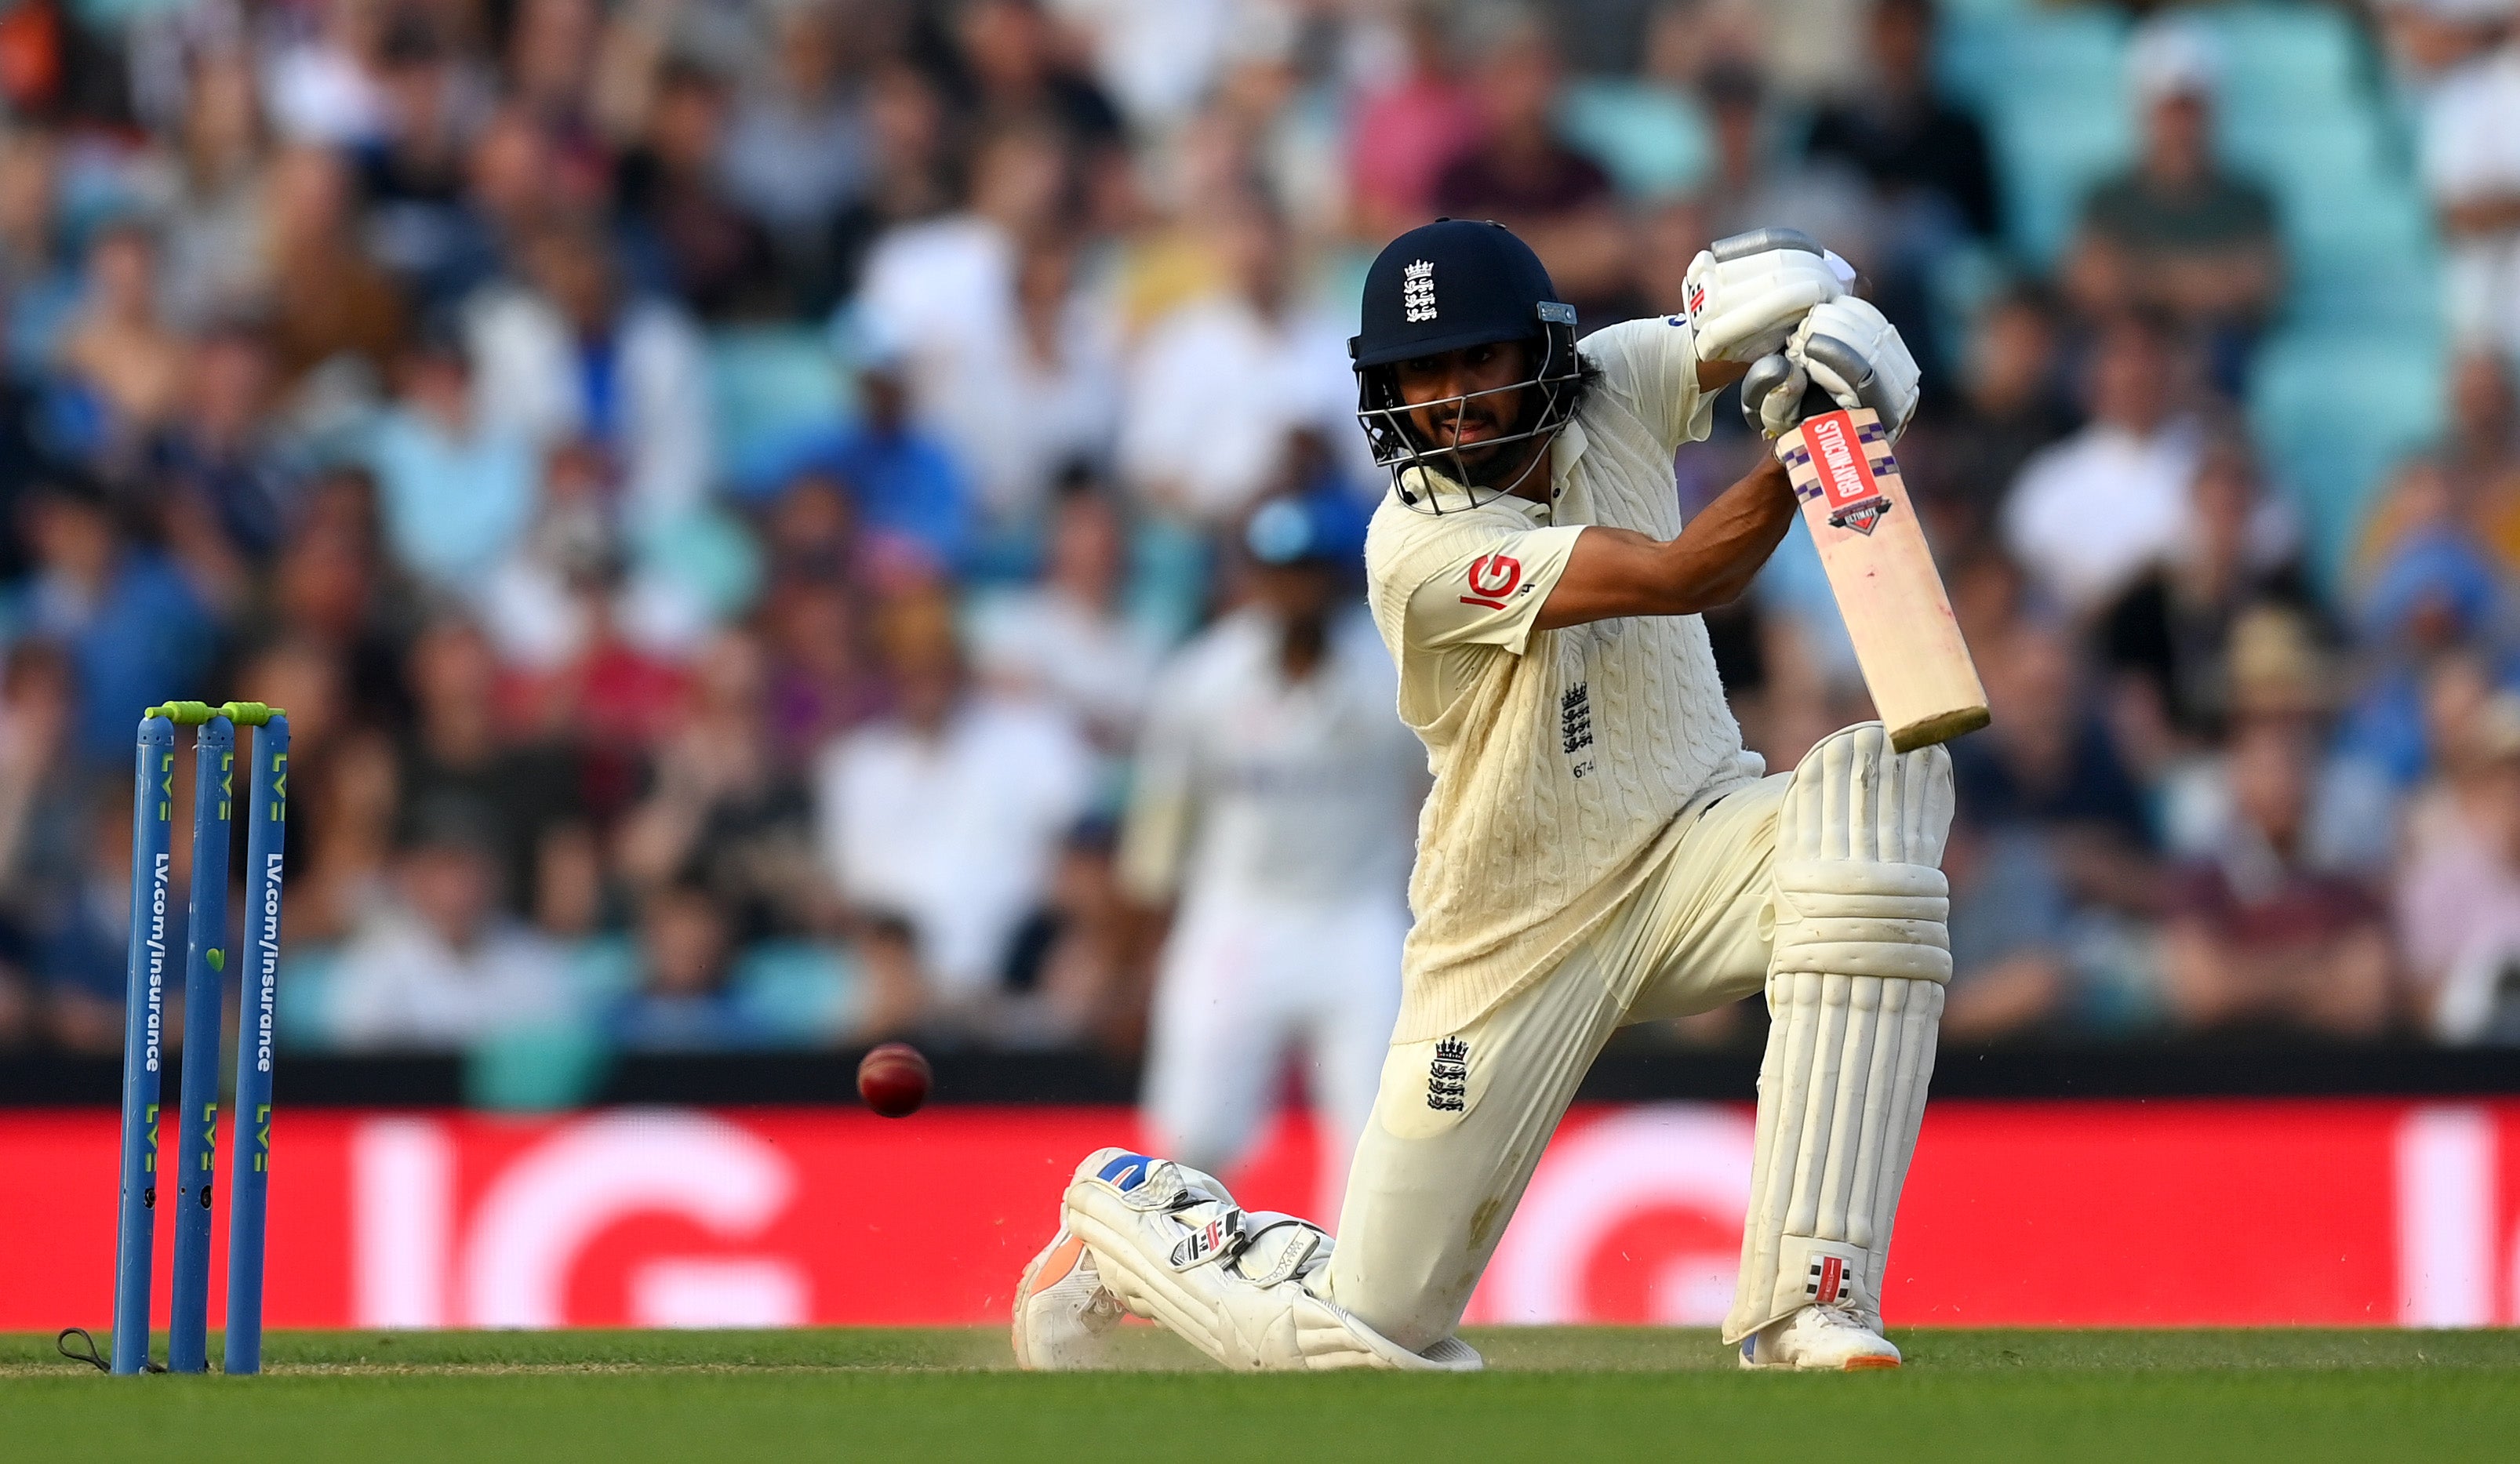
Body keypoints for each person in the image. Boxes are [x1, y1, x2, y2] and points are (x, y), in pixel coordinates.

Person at [1014, 220, 1950, 1373]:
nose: (1448, 398)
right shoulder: (1413, 549)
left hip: (1698, 844)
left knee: (1871, 807)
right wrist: (1816, 431)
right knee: (1370, 1337)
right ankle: (1133, 1216)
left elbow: (1733, 325)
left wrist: (1820, 324)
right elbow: (1676, 575)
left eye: (1477, 362)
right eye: (1420, 372)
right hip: (1512, 940)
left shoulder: (1611, 380)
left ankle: (1810, 1300)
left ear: (1543, 354)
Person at [1121, 492, 1422, 1212]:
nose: (1293, 588)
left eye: (1309, 570)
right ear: (1252, 576)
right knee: (1194, 1130)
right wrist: (1134, 956)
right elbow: (1159, 833)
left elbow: (1442, 801)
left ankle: (1352, 1310)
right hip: (1237, 917)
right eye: (1278, 570)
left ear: (1337, 580)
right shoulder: (1203, 680)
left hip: (1359, 919)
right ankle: (1174, 1284)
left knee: (1378, 1137)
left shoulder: (1395, 679)